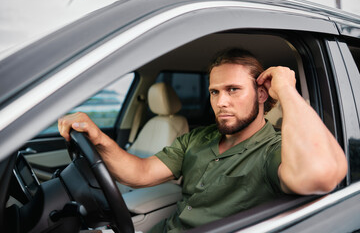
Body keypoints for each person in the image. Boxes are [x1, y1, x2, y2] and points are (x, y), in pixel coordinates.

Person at [58, 48, 347, 232]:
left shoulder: (274, 150)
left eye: (233, 90)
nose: (221, 102)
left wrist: (285, 90)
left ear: (262, 94)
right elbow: (140, 173)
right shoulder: (198, 138)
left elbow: (320, 175)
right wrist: (98, 138)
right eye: (214, 92)